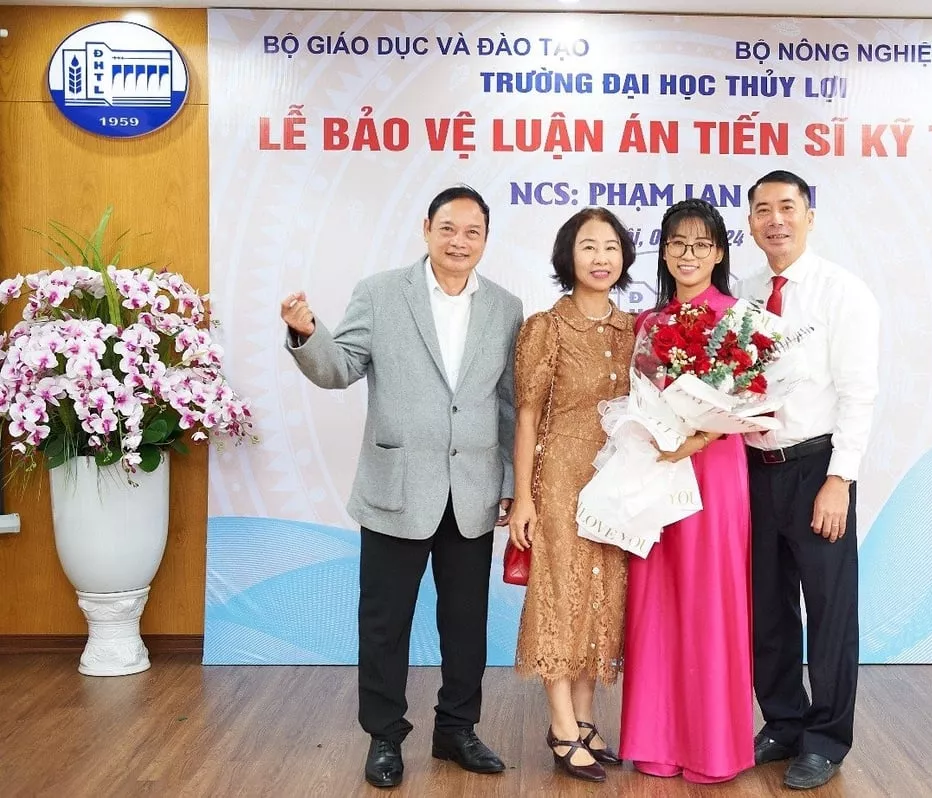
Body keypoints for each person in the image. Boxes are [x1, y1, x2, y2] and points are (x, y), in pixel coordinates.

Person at [279, 185, 524, 789]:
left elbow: (507, 403)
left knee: (465, 623)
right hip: (396, 487)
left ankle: (457, 730)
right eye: (448, 229)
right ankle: (384, 736)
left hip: (472, 491)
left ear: (486, 239)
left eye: (472, 232)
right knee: (385, 622)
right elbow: (340, 368)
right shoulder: (382, 293)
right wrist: (308, 334)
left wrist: (510, 481)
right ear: (426, 229)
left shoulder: (505, 307)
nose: (459, 241)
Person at [740, 169, 880, 790]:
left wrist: (839, 479)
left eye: (787, 207)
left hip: (817, 469)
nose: (776, 220)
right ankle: (783, 723)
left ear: (809, 216)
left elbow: (858, 393)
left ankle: (825, 740)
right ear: (750, 223)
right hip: (754, 470)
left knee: (828, 612)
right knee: (767, 610)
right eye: (763, 210)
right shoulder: (744, 294)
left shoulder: (842, 292)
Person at [618, 198, 756, 784]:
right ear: (664, 251)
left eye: (701, 244)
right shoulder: (648, 323)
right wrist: (657, 436)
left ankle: (712, 748)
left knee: (710, 598)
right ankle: (656, 740)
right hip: (657, 469)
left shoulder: (741, 319)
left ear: (719, 252)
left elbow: (750, 403)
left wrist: (695, 439)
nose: (688, 254)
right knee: (657, 597)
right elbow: (638, 397)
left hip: (715, 473)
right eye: (677, 243)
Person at [507, 207, 637, 783]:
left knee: (604, 593)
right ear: (568, 256)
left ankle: (585, 719)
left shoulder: (634, 329)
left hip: (620, 480)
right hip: (560, 479)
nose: (601, 258)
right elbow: (526, 415)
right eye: (588, 246)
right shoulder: (546, 327)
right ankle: (561, 727)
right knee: (561, 594)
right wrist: (524, 498)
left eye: (611, 247)